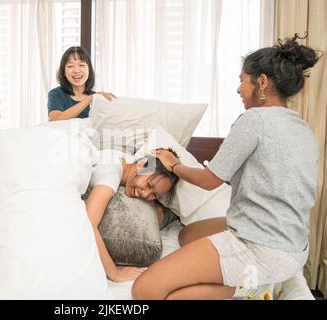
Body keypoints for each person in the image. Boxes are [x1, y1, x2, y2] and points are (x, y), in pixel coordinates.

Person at [132, 34, 322, 299]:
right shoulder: (302, 129)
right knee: (187, 235)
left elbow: (210, 180)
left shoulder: (254, 119)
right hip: (294, 249)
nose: (238, 88)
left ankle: (244, 285)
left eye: (242, 80)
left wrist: (173, 165)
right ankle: (251, 279)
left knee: (144, 290)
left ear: (263, 82)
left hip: (261, 249)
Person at [85, 148, 179, 282]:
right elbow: (89, 223)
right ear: (141, 164)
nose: (146, 194)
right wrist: (114, 273)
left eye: (154, 195)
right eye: (149, 184)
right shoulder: (110, 175)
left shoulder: (125, 160)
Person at [48, 46, 116, 121]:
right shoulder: (56, 94)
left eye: (81, 65)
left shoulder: (97, 98)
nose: (76, 70)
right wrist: (89, 99)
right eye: (70, 66)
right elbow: (55, 119)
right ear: (64, 72)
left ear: (89, 69)